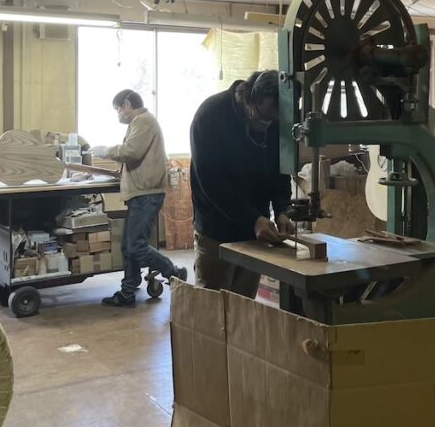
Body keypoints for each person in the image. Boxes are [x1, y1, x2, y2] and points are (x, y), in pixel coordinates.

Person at [190, 70, 292, 298]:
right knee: (212, 306)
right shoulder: (210, 115)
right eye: (263, 119)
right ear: (248, 97)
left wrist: (282, 210)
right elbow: (211, 182)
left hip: (255, 233)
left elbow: (279, 170)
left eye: (273, 121)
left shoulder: (275, 118)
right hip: (217, 231)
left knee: (244, 306)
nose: (267, 126)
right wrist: (253, 219)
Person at [90, 90, 187, 307]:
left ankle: (174, 272)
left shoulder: (143, 121)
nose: (118, 115)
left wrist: (104, 151)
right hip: (141, 192)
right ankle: (127, 293)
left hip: (147, 193)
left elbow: (131, 151)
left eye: (118, 109)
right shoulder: (140, 123)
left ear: (127, 104)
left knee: (135, 245)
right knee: (128, 246)